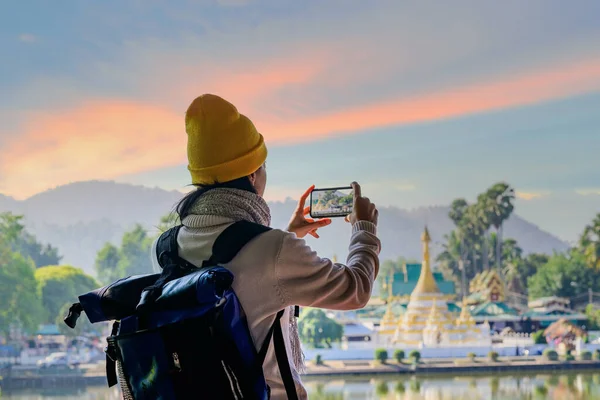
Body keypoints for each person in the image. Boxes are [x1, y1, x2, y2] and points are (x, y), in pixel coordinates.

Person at [150, 94, 381, 399]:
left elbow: (245, 279)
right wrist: (364, 228)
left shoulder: (164, 248)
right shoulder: (273, 249)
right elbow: (355, 289)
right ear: (252, 174)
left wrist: (289, 236)